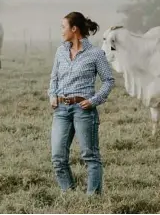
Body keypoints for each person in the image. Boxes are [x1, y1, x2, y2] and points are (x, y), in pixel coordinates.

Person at [47, 11, 115, 196]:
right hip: (61, 109)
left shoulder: (95, 54)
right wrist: (52, 95)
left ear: (74, 29)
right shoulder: (60, 51)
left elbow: (109, 80)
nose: (61, 31)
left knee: (90, 156)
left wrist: (93, 101)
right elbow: (54, 78)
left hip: (83, 110)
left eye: (63, 27)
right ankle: (69, 195)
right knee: (58, 158)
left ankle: (93, 199)